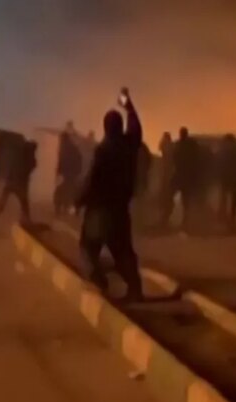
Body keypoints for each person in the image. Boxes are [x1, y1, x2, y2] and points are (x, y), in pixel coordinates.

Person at [76, 88, 144, 301]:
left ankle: (99, 283)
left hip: (100, 210)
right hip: (121, 208)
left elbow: (93, 180)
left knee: (87, 249)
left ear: (105, 128)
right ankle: (135, 289)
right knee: (123, 251)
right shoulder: (129, 145)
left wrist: (78, 201)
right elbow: (136, 127)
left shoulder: (103, 150)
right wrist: (128, 105)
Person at [162, 127, 203, 232]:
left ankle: (169, 218)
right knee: (184, 199)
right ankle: (179, 220)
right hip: (186, 175)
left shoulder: (181, 145)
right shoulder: (191, 145)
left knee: (174, 196)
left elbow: (174, 158)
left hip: (182, 174)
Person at [0, 140, 36, 228]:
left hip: (8, 179)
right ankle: (26, 221)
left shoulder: (11, 150)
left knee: (1, 202)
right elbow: (31, 165)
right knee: (23, 203)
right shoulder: (28, 152)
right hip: (18, 181)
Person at [216, 134, 236, 227]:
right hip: (235, 179)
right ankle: (231, 218)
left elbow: (219, 165)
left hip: (228, 179)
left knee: (225, 199)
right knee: (233, 200)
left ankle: (225, 218)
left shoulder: (224, 152)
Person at [54, 131, 83, 215]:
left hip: (66, 173)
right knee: (68, 190)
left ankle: (60, 208)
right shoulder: (73, 148)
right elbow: (79, 160)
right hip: (71, 173)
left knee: (61, 190)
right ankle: (64, 207)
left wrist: (58, 172)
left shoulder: (65, 148)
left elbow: (61, 161)